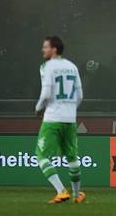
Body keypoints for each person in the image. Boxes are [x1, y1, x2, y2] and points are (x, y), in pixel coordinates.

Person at [35, 35, 85, 204]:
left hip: (52, 118)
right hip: (70, 119)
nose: (43, 50)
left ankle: (61, 191)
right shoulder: (72, 66)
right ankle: (77, 195)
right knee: (72, 157)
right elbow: (80, 95)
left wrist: (38, 108)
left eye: (45, 47)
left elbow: (46, 93)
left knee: (41, 155)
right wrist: (70, 110)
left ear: (54, 49)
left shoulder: (48, 67)